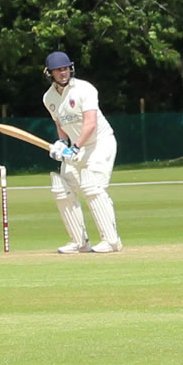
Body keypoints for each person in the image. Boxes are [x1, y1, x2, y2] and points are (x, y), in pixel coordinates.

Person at [41, 51, 121, 253]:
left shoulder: (85, 89)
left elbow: (90, 124)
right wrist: (61, 143)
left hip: (99, 143)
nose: (63, 73)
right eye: (58, 70)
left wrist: (75, 147)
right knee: (62, 188)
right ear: (49, 73)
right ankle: (80, 242)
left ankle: (111, 241)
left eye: (65, 68)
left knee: (92, 187)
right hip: (76, 147)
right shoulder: (48, 97)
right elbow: (60, 123)